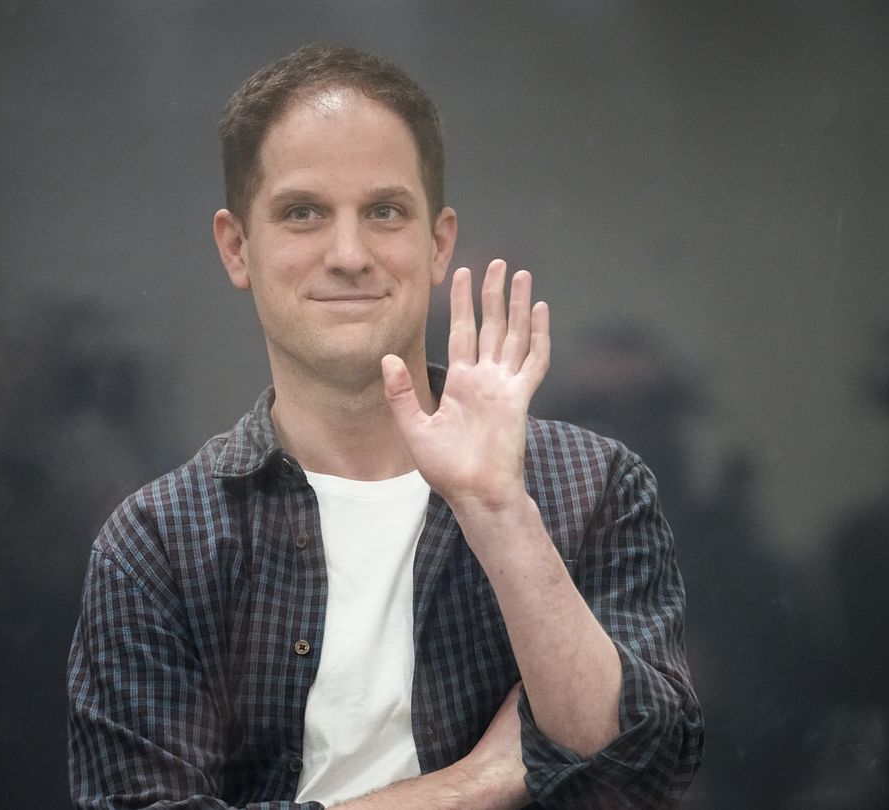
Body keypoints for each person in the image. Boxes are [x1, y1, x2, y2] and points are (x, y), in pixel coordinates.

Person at [67, 43, 702, 809]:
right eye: (303, 213)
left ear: (438, 243)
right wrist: (476, 783)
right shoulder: (160, 543)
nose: (348, 254)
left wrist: (500, 513)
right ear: (238, 248)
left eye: (385, 212)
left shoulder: (592, 486)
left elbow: (646, 777)